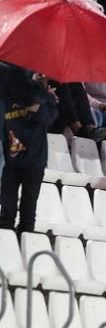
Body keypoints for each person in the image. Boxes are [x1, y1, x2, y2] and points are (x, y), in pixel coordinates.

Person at [0, 70, 56, 236]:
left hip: (35, 162)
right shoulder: (9, 93)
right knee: (6, 211)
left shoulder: (48, 100)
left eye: (43, 75)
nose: (40, 75)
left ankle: (24, 251)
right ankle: (5, 249)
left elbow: (48, 119)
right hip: (11, 160)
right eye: (37, 74)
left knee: (28, 210)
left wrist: (41, 101)